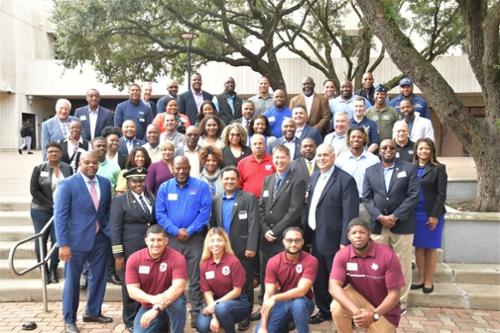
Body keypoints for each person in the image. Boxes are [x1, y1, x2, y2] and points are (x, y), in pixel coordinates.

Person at [54, 152, 113, 333]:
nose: (91, 166)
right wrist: (63, 244)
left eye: (94, 163)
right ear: (79, 163)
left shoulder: (104, 182)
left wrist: (108, 231)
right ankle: (69, 319)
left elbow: (106, 210)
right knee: (72, 281)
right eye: (87, 163)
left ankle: (93, 312)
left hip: (100, 238)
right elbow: (60, 216)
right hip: (75, 241)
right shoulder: (67, 184)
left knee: (99, 277)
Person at [362, 139, 419, 312]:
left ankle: (400, 302)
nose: (388, 150)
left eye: (391, 148)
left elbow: (413, 196)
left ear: (396, 150)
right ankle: (380, 299)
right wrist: (379, 216)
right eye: (384, 147)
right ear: (379, 150)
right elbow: (366, 197)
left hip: (402, 225)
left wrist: (395, 216)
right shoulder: (370, 170)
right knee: (378, 264)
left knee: (402, 265)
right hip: (378, 226)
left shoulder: (409, 168)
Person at [155, 156, 212, 326]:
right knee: (170, 277)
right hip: (172, 239)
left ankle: (195, 312)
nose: (181, 171)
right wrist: (175, 231)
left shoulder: (201, 186)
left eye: (184, 168)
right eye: (177, 168)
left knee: (195, 277)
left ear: (189, 168)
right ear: (172, 168)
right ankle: (169, 311)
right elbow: (160, 214)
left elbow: (204, 213)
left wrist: (189, 230)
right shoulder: (165, 187)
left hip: (194, 239)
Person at [306, 144, 359, 324]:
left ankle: (343, 314)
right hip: (315, 235)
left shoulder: (345, 180)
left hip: (335, 238)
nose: (321, 158)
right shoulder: (314, 178)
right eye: (319, 155)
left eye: (325, 155)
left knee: (338, 278)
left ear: (333, 156)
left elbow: (350, 213)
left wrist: (345, 240)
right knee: (319, 277)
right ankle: (324, 310)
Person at [329, 218, 405, 332]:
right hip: (358, 299)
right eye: (354, 233)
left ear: (370, 234)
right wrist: (356, 312)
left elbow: (394, 294)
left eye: (362, 232)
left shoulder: (387, 255)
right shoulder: (342, 255)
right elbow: (333, 286)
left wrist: (374, 315)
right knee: (336, 307)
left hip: (384, 311)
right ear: (349, 236)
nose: (358, 236)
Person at [211, 166, 260, 331]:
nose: (229, 181)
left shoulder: (249, 198)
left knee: (245, 283)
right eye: (226, 179)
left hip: (244, 250)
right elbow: (214, 227)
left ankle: (246, 315)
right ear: (222, 180)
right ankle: (228, 312)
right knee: (227, 283)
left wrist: (252, 246)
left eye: (233, 178)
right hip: (223, 250)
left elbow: (254, 224)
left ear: (238, 180)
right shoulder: (216, 200)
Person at [259, 145, 306, 309]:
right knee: (267, 274)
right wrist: (265, 230)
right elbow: (261, 207)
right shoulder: (268, 179)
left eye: (282, 157)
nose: (279, 161)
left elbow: (294, 212)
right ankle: (266, 306)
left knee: (285, 275)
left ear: (289, 159)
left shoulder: (297, 180)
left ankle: (287, 309)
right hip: (266, 238)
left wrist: (275, 231)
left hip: (285, 238)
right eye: (276, 157)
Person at [110, 167, 156, 331]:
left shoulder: (151, 197)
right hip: (129, 250)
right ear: (128, 183)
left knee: (147, 283)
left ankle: (144, 315)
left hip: (150, 249)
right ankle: (130, 320)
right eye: (135, 181)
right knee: (130, 284)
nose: (139, 184)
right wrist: (118, 254)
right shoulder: (120, 200)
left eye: (141, 181)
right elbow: (115, 228)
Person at [125, 225, 188, 333]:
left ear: (166, 241)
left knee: (178, 304)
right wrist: (152, 299)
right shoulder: (134, 259)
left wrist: (157, 307)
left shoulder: (177, 258)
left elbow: (179, 287)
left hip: (171, 302)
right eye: (152, 240)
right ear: (146, 241)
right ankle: (163, 323)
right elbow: (132, 291)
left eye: (159, 240)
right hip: (148, 305)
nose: (155, 244)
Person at [255, 227, 318, 333]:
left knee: (298, 305)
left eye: (297, 240)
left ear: (302, 242)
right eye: (289, 240)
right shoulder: (273, 262)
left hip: (303, 301)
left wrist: (275, 297)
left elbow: (301, 291)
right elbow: (268, 294)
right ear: (283, 242)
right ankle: (285, 324)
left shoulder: (311, 260)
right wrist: (263, 326)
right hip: (281, 303)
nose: (293, 244)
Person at [30, 142, 73, 284]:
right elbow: (34, 190)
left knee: (57, 240)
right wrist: (51, 204)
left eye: (56, 151)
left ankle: (53, 269)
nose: (53, 154)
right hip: (41, 210)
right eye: (50, 151)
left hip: (61, 212)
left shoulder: (67, 169)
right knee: (41, 239)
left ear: (61, 153)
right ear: (46, 154)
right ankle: (44, 269)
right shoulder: (39, 168)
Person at [196, 227, 250, 333]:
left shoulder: (233, 261)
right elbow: (206, 292)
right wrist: (214, 314)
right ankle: (221, 320)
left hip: (237, 302)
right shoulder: (204, 264)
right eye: (212, 240)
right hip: (215, 303)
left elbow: (237, 291)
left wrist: (215, 307)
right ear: (208, 243)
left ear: (225, 242)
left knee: (222, 309)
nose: (215, 244)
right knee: (202, 325)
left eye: (219, 240)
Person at [411, 138, 447, 294]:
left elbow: (441, 194)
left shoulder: (438, 168)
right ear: (416, 150)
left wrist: (434, 215)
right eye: (420, 148)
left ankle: (429, 280)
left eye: (427, 148)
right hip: (415, 214)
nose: (423, 151)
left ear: (432, 150)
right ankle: (420, 278)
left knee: (431, 248)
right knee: (418, 248)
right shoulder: (410, 167)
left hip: (431, 213)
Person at [335, 127, 380, 220]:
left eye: (359, 137)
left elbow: (379, 184)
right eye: (353, 137)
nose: (356, 139)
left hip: (367, 205)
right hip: (345, 204)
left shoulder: (374, 160)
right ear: (348, 139)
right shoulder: (340, 160)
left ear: (364, 139)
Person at [237, 134, 275, 199]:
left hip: (268, 200)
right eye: (255, 144)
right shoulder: (242, 163)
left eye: (260, 143)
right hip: (248, 201)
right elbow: (238, 185)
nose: (257, 146)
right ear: (251, 147)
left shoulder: (274, 161)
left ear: (265, 146)